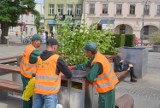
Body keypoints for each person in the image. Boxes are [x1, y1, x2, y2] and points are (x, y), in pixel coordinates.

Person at [69, 42, 119, 108]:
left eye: (85, 51)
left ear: (89, 52)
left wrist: (88, 71)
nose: (85, 53)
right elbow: (86, 64)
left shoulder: (97, 62)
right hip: (111, 87)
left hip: (105, 90)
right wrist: (73, 67)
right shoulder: (98, 56)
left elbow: (90, 77)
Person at [32, 39, 72, 108]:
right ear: (54, 47)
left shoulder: (38, 58)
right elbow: (69, 74)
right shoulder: (57, 58)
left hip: (38, 91)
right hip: (50, 93)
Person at [19, 34, 42, 108]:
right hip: (28, 76)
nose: (40, 43)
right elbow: (44, 56)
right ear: (35, 42)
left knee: (27, 93)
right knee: (27, 95)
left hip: (24, 73)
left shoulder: (29, 47)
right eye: (39, 41)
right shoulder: (33, 51)